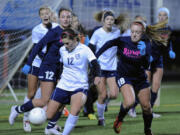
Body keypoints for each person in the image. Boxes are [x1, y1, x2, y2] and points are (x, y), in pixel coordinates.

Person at [9, 7, 72, 135]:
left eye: (68, 17)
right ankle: (17, 109)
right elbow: (38, 46)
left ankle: (51, 127)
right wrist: (28, 63)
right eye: (63, 16)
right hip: (48, 66)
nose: (66, 19)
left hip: (61, 70)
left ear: (71, 18)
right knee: (44, 100)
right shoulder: (54, 32)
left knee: (62, 99)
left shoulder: (72, 32)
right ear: (59, 18)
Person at [96, 21, 153, 135]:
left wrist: (144, 54)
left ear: (142, 33)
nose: (134, 34)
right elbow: (109, 43)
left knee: (147, 107)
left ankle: (147, 130)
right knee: (130, 102)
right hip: (124, 76)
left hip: (140, 78)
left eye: (137, 32)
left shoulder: (146, 44)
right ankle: (119, 119)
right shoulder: (124, 40)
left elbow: (146, 65)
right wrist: (95, 56)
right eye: (132, 32)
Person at [45, 28, 101, 135]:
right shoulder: (62, 50)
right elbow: (61, 65)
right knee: (49, 115)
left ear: (75, 39)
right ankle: (51, 127)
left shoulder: (85, 49)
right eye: (64, 43)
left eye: (68, 43)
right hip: (63, 84)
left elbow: (95, 64)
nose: (65, 46)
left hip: (79, 85)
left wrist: (97, 76)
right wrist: (58, 77)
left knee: (75, 110)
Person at [21, 6, 59, 132]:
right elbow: (37, 48)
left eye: (47, 13)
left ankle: (52, 123)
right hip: (38, 64)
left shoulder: (56, 27)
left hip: (50, 66)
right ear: (40, 16)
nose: (45, 15)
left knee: (49, 95)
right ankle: (25, 118)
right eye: (42, 14)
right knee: (31, 93)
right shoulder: (36, 30)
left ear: (51, 14)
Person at [89, 10, 120, 126]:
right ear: (103, 20)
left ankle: (104, 103)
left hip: (113, 67)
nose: (110, 21)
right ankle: (101, 118)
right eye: (107, 19)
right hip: (100, 68)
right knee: (102, 95)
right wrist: (91, 63)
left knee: (114, 95)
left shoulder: (117, 32)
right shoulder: (97, 33)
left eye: (112, 20)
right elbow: (90, 48)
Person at [145, 7, 176, 118]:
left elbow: (168, 43)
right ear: (158, 16)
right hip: (149, 60)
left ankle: (150, 111)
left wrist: (170, 50)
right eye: (160, 15)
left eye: (165, 15)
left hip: (158, 60)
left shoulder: (168, 29)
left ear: (167, 17)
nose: (162, 17)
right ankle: (132, 107)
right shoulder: (151, 28)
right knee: (144, 86)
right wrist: (148, 55)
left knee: (156, 86)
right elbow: (147, 43)